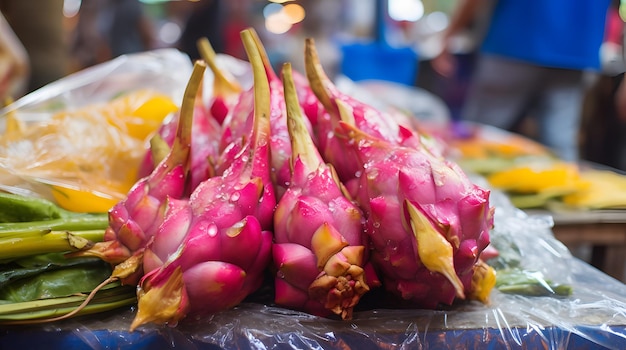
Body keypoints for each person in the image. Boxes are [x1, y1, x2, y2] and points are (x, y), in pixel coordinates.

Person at [432, 0, 612, 162]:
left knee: (479, 138)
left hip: (513, 43)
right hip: (577, 51)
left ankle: (462, 196)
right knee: (560, 143)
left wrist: (450, 33)